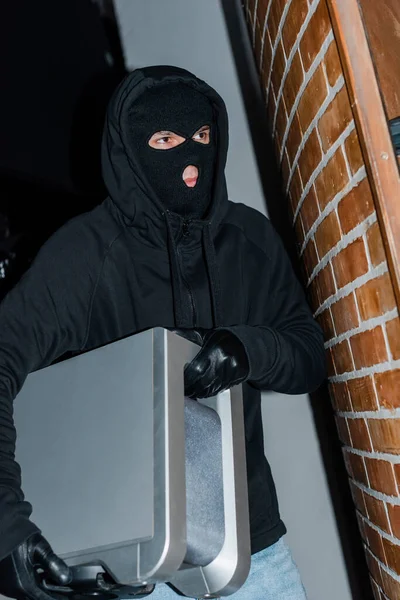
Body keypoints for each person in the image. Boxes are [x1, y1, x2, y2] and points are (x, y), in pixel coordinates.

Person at [0, 66, 326, 600]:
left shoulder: (249, 239)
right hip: (130, 563)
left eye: (200, 137)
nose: (189, 158)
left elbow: (308, 353)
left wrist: (248, 348)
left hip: (248, 554)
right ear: (132, 149)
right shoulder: (85, 255)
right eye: (165, 140)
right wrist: (8, 528)